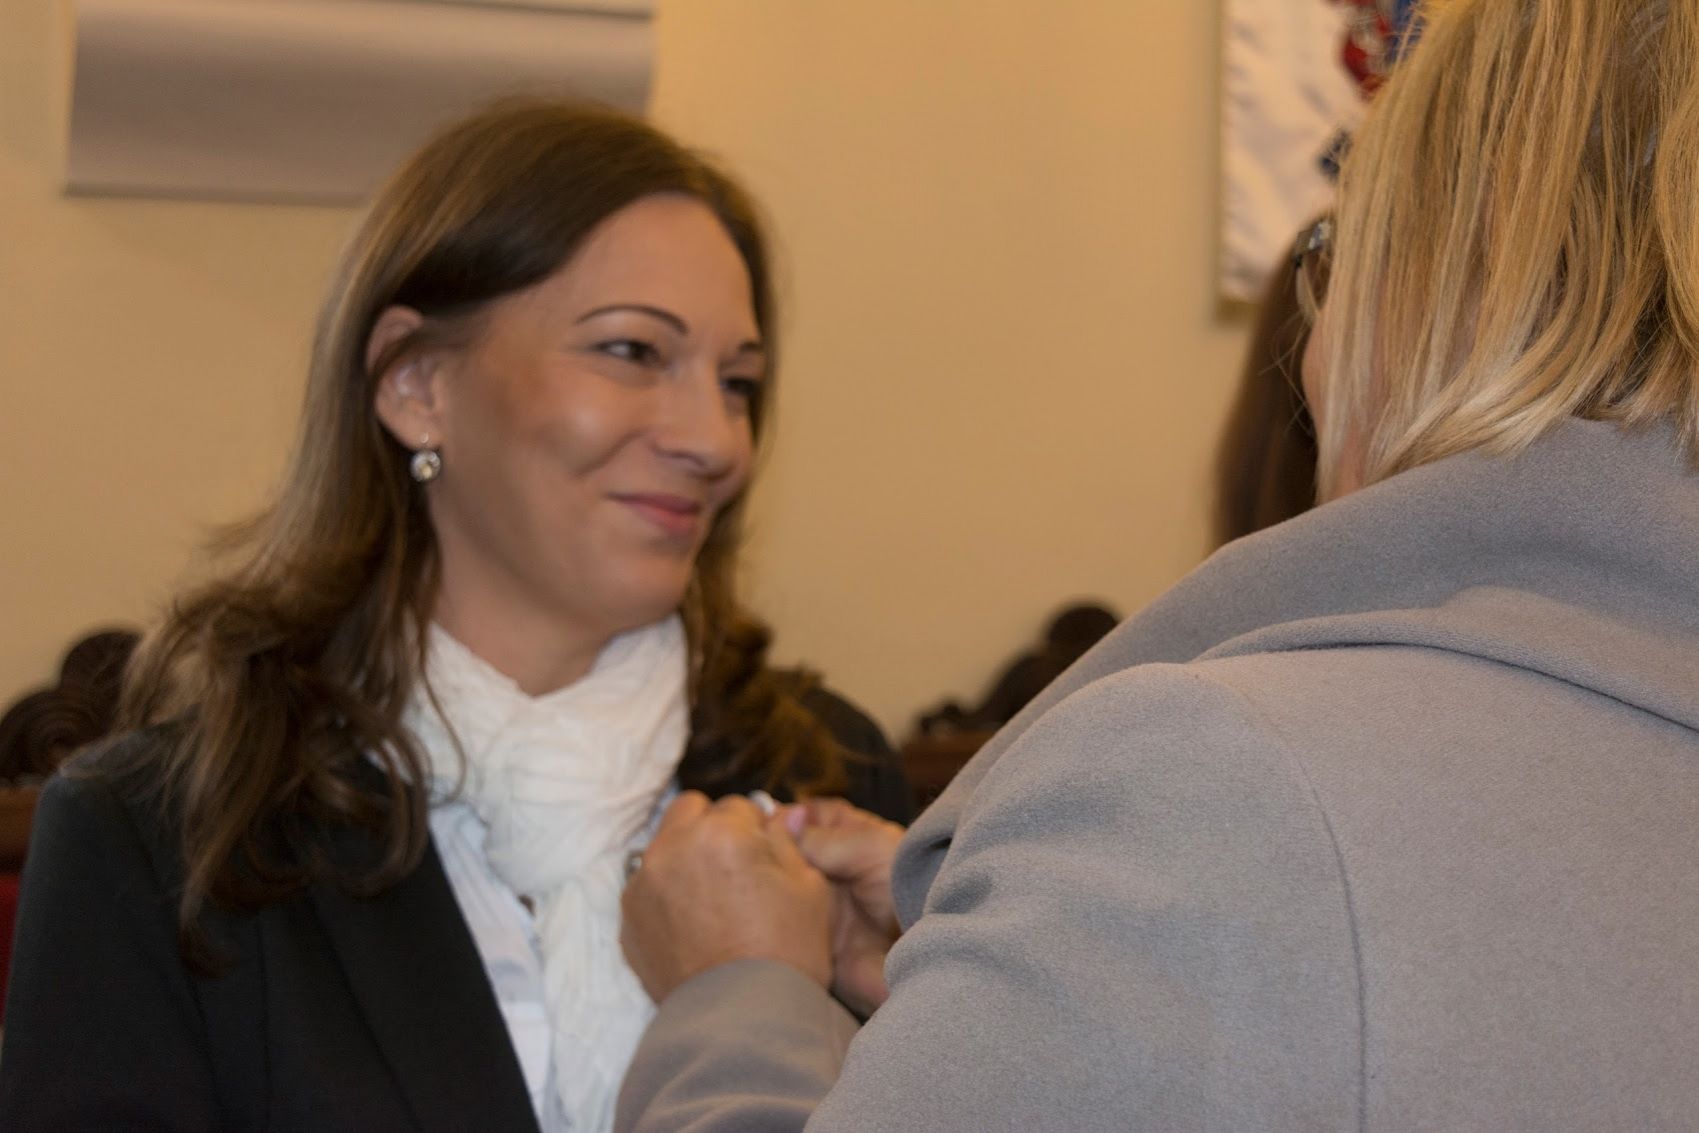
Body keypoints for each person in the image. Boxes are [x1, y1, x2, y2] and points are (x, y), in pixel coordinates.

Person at [615, 1, 1699, 1128]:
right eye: (632, 352)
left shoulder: (1213, 785)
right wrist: (1011, 960)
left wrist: (734, 993)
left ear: (1419, 286)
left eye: (1336, 253)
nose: (705, 437)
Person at [0, 99, 909, 1132]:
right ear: (416, 383)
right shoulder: (159, 835)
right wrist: (744, 997)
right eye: (631, 351)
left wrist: (945, 990)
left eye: (737, 382)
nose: (713, 439)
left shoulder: (830, 777)